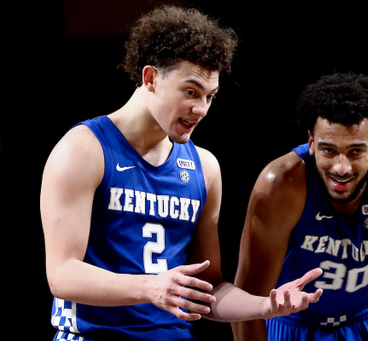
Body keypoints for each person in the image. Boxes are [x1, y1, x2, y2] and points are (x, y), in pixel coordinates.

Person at [40, 6, 322, 341]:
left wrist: (265, 307)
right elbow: (61, 274)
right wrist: (150, 286)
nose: (201, 109)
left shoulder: (204, 167)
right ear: (150, 78)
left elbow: (210, 288)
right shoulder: (84, 150)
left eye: (210, 97)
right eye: (191, 92)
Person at [232, 72, 368, 340]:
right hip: (292, 323)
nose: (341, 168)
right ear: (311, 143)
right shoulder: (280, 184)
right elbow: (249, 303)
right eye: (329, 150)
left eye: (355, 151)